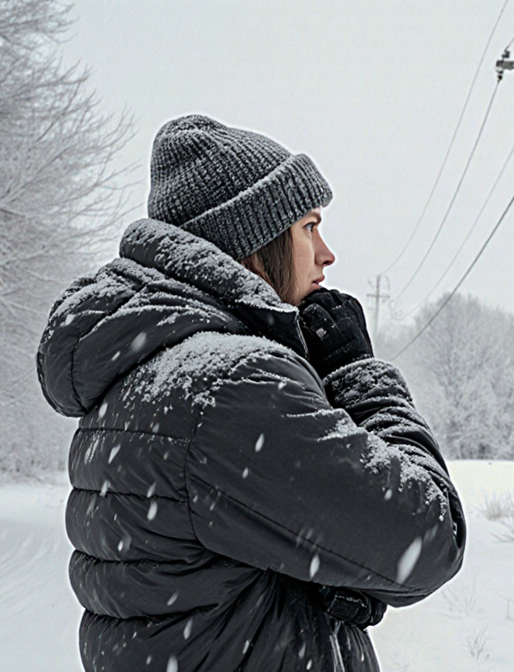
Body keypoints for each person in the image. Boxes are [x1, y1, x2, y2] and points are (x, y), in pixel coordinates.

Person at [37, 114, 466, 672]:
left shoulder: (148, 374)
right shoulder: (233, 387)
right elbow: (429, 538)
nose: (326, 253)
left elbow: (220, 563)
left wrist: (321, 592)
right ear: (252, 240)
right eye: (309, 227)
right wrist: (358, 372)